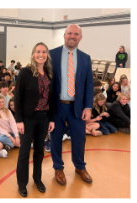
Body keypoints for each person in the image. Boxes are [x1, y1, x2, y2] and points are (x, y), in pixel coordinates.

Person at [50, 24, 94, 186]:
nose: (72, 36)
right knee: (55, 138)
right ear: (64, 35)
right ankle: (58, 167)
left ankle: (80, 166)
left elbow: (89, 84)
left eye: (76, 34)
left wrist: (88, 107)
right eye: (70, 33)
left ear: (80, 37)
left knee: (79, 139)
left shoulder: (85, 58)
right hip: (57, 106)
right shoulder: (51, 54)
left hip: (78, 107)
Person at [15, 42, 55, 197]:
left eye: (44, 52)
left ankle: (37, 179)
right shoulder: (25, 72)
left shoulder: (50, 73)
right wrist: (19, 120)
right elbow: (18, 97)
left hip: (44, 118)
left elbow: (52, 99)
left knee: (39, 151)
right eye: (38, 51)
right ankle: (22, 183)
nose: (41, 54)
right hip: (27, 118)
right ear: (33, 54)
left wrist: (52, 119)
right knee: (24, 151)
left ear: (47, 55)